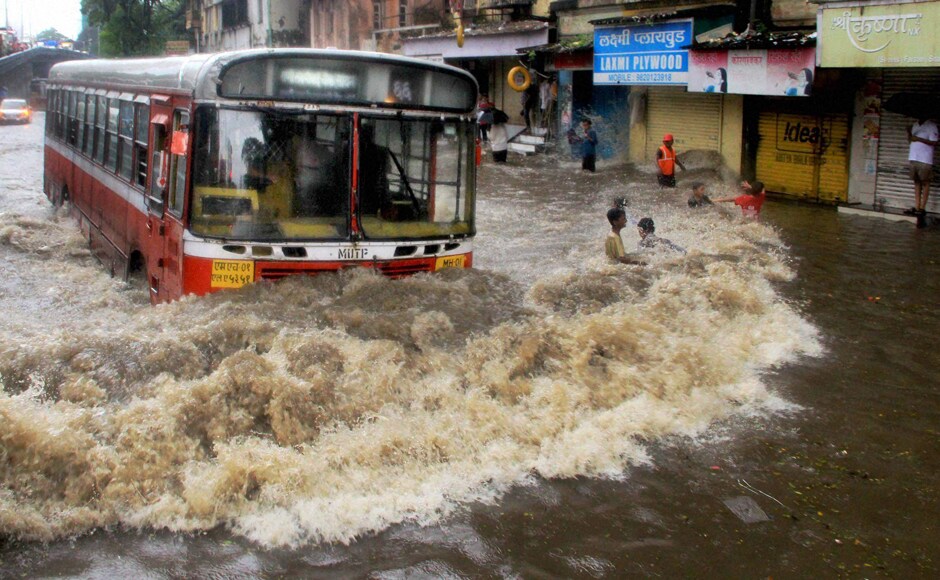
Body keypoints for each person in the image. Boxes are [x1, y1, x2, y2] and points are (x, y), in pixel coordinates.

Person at [905, 116, 938, 217]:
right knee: (916, 182)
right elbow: (911, 141)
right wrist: (909, 132)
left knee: (925, 182)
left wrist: (919, 138)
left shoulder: (931, 126)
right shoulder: (915, 125)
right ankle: (917, 206)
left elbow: (935, 142)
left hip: (925, 159)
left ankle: (923, 207)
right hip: (913, 157)